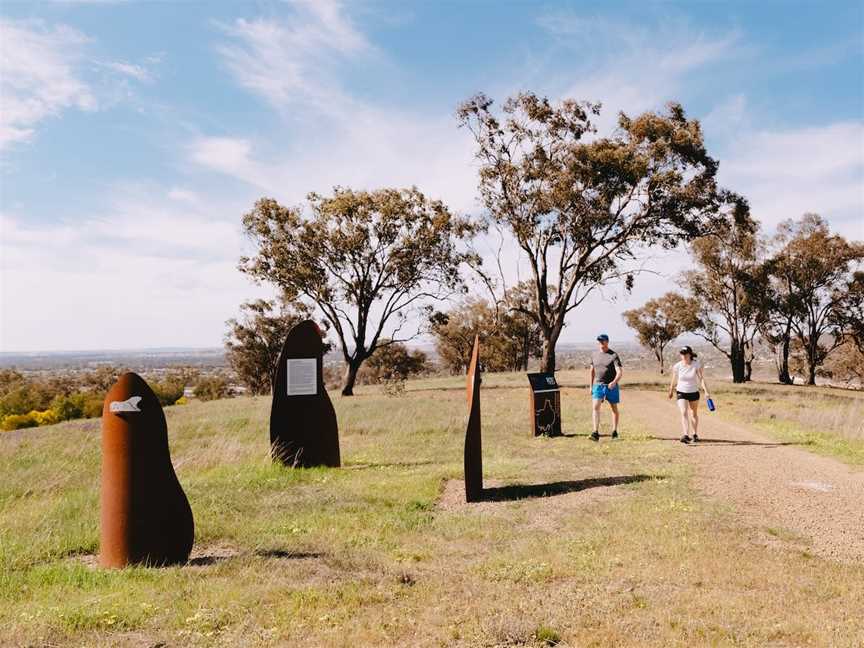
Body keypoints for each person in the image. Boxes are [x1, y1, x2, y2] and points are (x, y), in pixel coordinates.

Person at [667, 345, 711, 444]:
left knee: (694, 413)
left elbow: (701, 379)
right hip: (681, 391)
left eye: (685, 354)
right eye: (682, 354)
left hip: (693, 392)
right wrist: (670, 390)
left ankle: (695, 434)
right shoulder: (677, 366)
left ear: (690, 354)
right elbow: (674, 379)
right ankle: (686, 435)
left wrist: (706, 391)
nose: (684, 356)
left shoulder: (696, 364)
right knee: (683, 412)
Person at [589, 333, 622, 442]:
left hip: (611, 386)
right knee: (595, 407)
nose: (601, 343)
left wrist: (614, 382)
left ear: (607, 342)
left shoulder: (613, 355)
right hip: (598, 385)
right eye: (599, 341)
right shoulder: (594, 355)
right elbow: (592, 371)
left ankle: (615, 431)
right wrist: (590, 385)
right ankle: (595, 432)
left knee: (614, 409)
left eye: (602, 341)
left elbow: (619, 372)